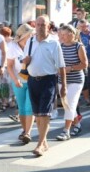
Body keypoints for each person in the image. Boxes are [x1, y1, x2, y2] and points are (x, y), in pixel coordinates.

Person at [22, 15, 66, 156]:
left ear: (49, 27)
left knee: (44, 114)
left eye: (43, 24)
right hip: (32, 80)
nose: (40, 27)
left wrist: (63, 86)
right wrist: (26, 61)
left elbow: (61, 66)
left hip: (48, 81)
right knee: (37, 114)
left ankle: (40, 144)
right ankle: (44, 141)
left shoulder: (54, 43)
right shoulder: (30, 41)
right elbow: (23, 63)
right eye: (38, 24)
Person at [56, 25, 87, 141]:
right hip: (62, 79)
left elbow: (85, 64)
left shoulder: (79, 46)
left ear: (71, 34)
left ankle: (66, 131)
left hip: (76, 80)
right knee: (66, 104)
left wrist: (71, 68)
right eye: (61, 34)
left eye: (64, 34)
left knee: (70, 104)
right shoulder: (60, 46)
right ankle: (77, 124)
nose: (61, 37)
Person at [6, 24, 35, 144]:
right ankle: (24, 130)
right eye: (30, 34)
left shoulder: (34, 44)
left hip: (33, 79)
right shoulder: (12, 46)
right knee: (22, 107)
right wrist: (15, 80)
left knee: (30, 107)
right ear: (24, 36)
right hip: (18, 79)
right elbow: (10, 66)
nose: (32, 36)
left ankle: (28, 132)